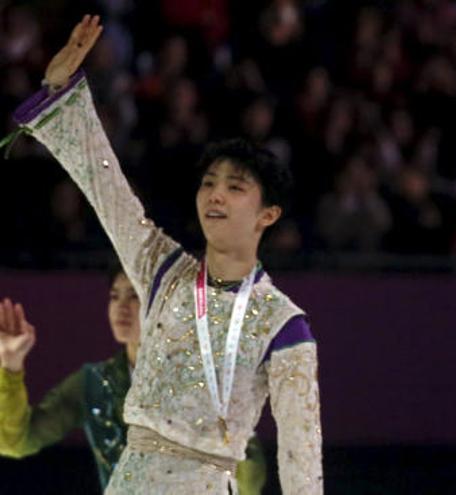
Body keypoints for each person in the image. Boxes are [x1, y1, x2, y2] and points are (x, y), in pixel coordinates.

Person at [10, 16, 322, 494]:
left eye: (235, 187)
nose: (215, 196)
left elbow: (302, 459)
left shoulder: (283, 325)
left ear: (268, 215)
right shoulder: (163, 270)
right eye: (209, 184)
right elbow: (108, 191)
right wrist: (61, 92)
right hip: (130, 479)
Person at [0, 269, 267, 494]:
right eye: (115, 296)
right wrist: (11, 366)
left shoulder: (201, 383)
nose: (121, 307)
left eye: (135, 295)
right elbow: (16, 442)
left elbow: (248, 484)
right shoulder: (94, 382)